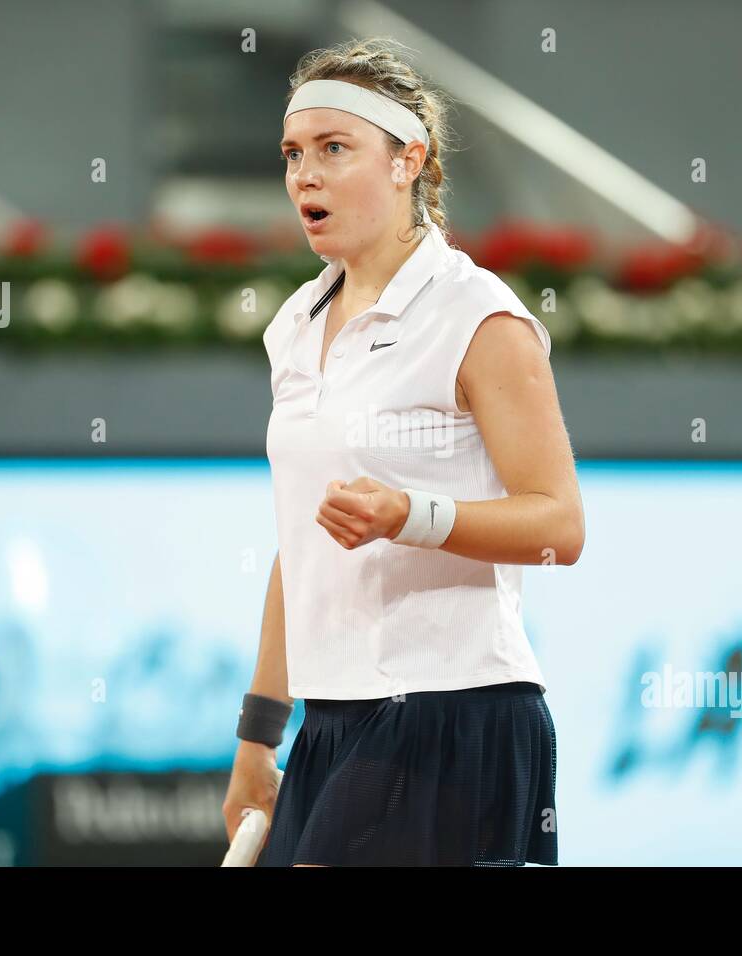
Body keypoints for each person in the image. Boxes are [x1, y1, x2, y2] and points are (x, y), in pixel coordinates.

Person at [222, 37, 584, 867]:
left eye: (333, 149)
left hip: (456, 713)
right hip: (334, 720)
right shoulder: (295, 326)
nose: (303, 176)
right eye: (292, 154)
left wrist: (410, 517)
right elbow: (301, 549)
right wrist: (259, 737)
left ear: (407, 161)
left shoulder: (479, 315)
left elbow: (559, 525)